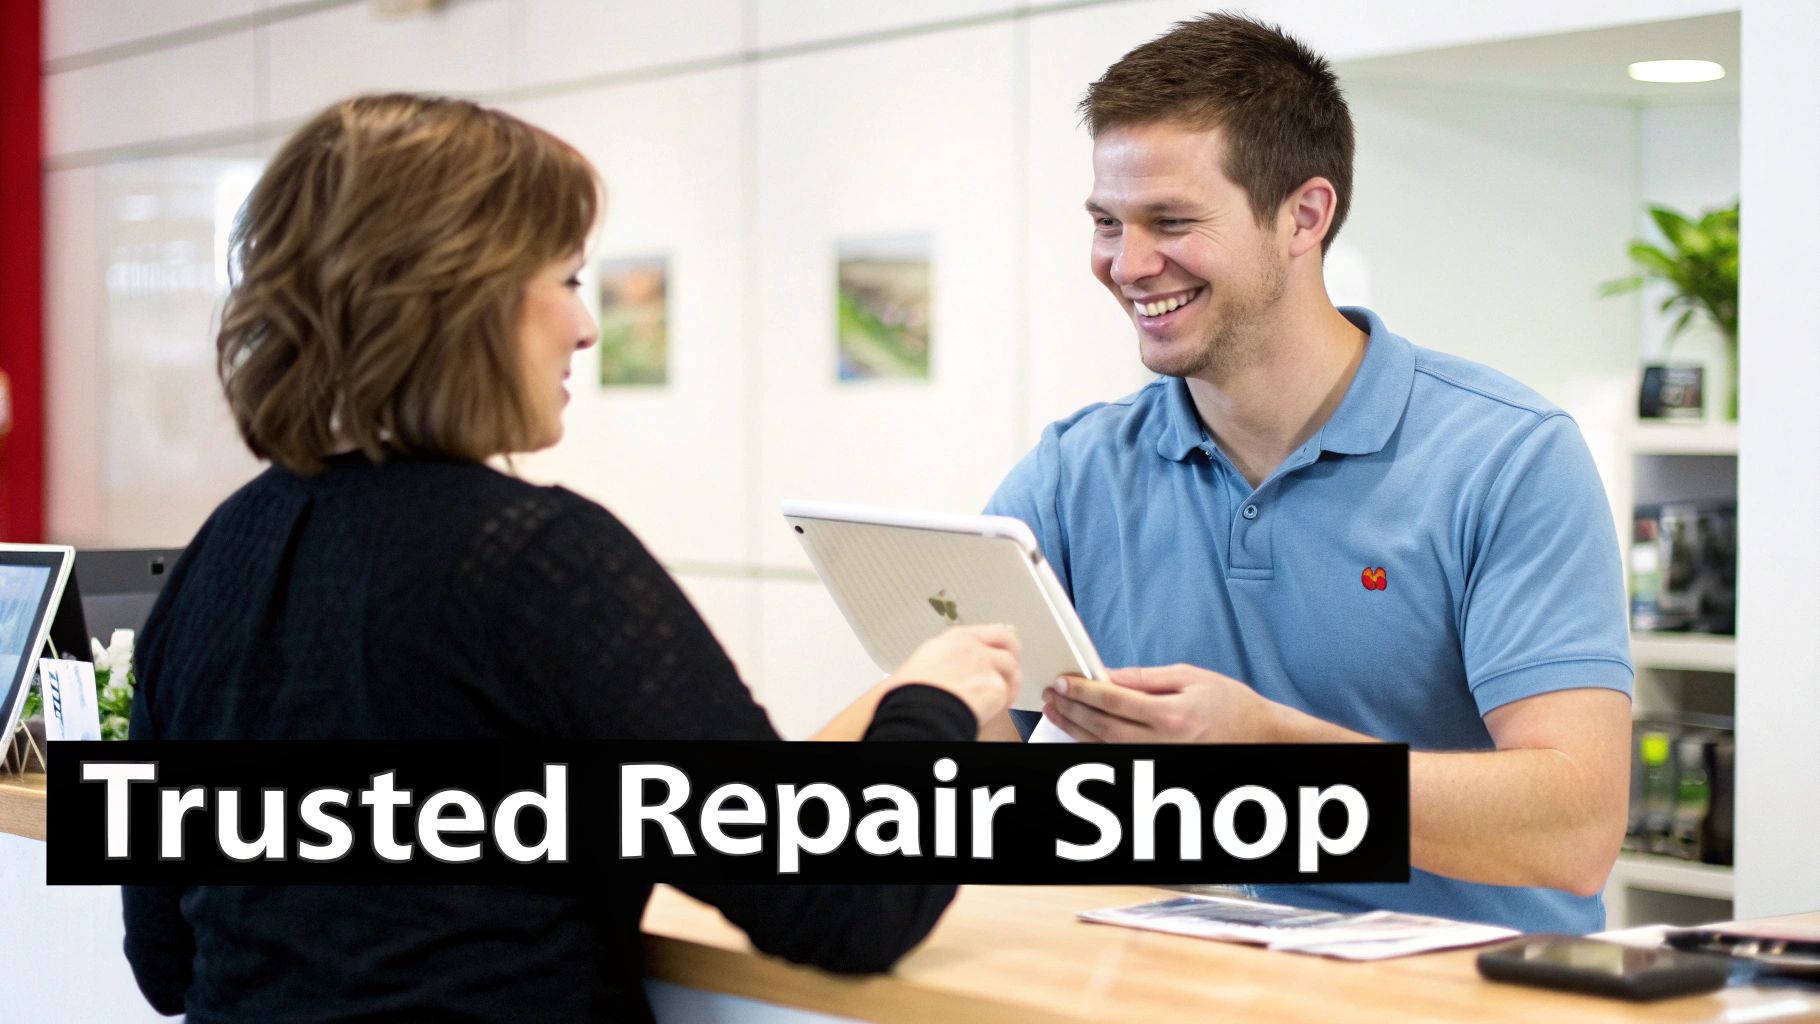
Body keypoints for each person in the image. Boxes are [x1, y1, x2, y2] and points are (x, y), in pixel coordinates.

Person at [123, 93, 1022, 1023]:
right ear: (462, 298)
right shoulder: (530, 558)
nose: (587, 329)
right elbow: (838, 909)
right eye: (568, 280)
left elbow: (165, 963)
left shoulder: (217, 556)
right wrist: (936, 709)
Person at [987, 12, 1632, 933]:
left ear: (1305, 215)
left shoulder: (1508, 457)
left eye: (1170, 222)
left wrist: (1267, 748)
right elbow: (958, 725)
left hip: (1459, 998)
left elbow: (1573, 828)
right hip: (1178, 980)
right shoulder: (1073, 473)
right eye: (1106, 222)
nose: (1127, 264)